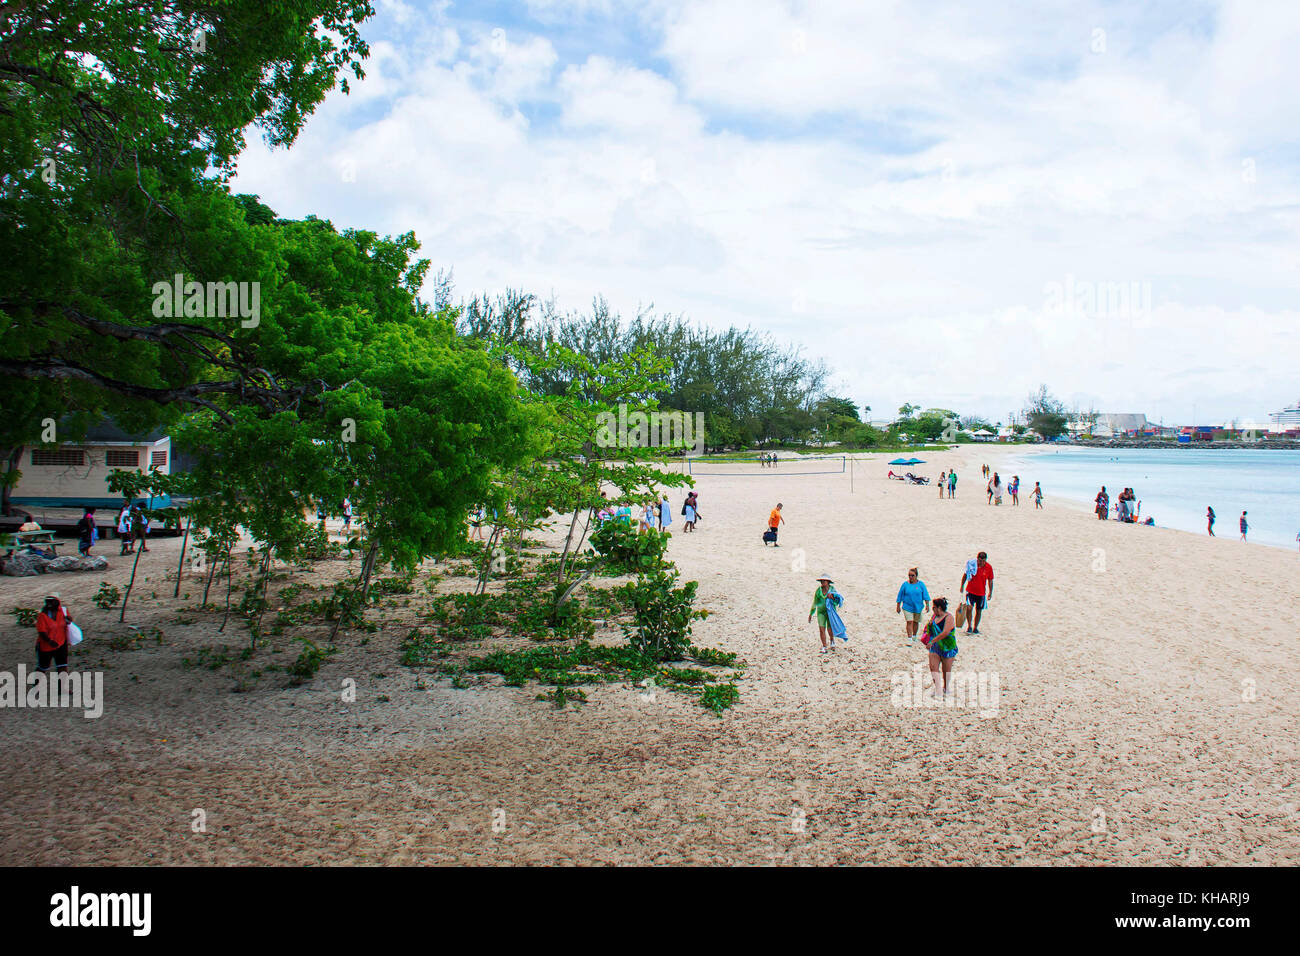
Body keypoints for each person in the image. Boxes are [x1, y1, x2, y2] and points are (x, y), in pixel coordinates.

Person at [922, 597, 958, 696]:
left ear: (939, 608)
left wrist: (932, 640)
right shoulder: (934, 617)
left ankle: (946, 688)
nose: (933, 609)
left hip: (947, 647)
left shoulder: (949, 617)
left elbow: (946, 632)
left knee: (946, 670)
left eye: (934, 607)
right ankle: (937, 688)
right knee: (933, 667)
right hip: (935, 647)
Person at [35, 593, 74, 675]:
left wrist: (69, 620)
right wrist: (49, 641)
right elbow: (41, 631)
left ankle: (62, 688)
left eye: (51, 601)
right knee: (43, 667)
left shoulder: (63, 611)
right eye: (47, 601)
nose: (49, 604)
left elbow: (66, 623)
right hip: (45, 646)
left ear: (57, 602)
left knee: (62, 667)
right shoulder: (42, 615)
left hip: (61, 643)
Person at [960, 551, 994, 634]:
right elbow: (965, 575)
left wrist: (990, 592)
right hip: (970, 591)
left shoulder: (989, 567)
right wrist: (962, 585)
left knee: (979, 611)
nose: (981, 563)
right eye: (979, 561)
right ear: (977, 559)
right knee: (969, 608)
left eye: (983, 561)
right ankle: (969, 626)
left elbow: (990, 580)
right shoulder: (972, 565)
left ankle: (975, 627)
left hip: (981, 593)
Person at [808, 575, 843, 654]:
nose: (822, 582)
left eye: (824, 581)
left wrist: (832, 597)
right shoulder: (818, 590)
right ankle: (824, 646)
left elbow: (837, 600)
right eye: (821, 581)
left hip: (830, 612)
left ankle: (832, 640)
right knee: (821, 629)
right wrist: (811, 613)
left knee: (830, 629)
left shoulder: (832, 590)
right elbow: (815, 602)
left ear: (828, 582)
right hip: (821, 612)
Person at [895, 567, 931, 644]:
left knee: (916, 622)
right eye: (909, 575)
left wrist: (927, 605)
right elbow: (900, 595)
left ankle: (914, 636)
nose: (910, 577)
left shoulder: (921, 585)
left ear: (916, 576)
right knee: (909, 622)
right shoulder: (905, 585)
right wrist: (898, 606)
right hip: (907, 607)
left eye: (912, 575)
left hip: (918, 607)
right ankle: (909, 638)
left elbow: (925, 595)